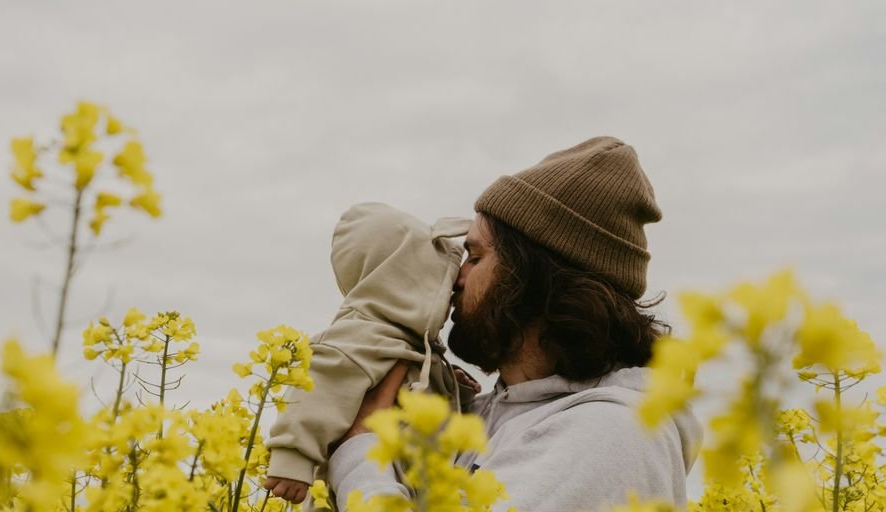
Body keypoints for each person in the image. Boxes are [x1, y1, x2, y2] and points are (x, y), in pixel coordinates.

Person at [327, 136, 704, 511]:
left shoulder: (610, 434)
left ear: (532, 278)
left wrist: (360, 452)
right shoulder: (489, 414)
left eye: (475, 256)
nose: (456, 277)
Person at [262, 202, 480, 507]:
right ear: (404, 284)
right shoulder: (360, 336)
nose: (454, 290)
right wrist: (292, 459)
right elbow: (316, 389)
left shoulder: (419, 349)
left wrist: (456, 391)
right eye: (440, 284)